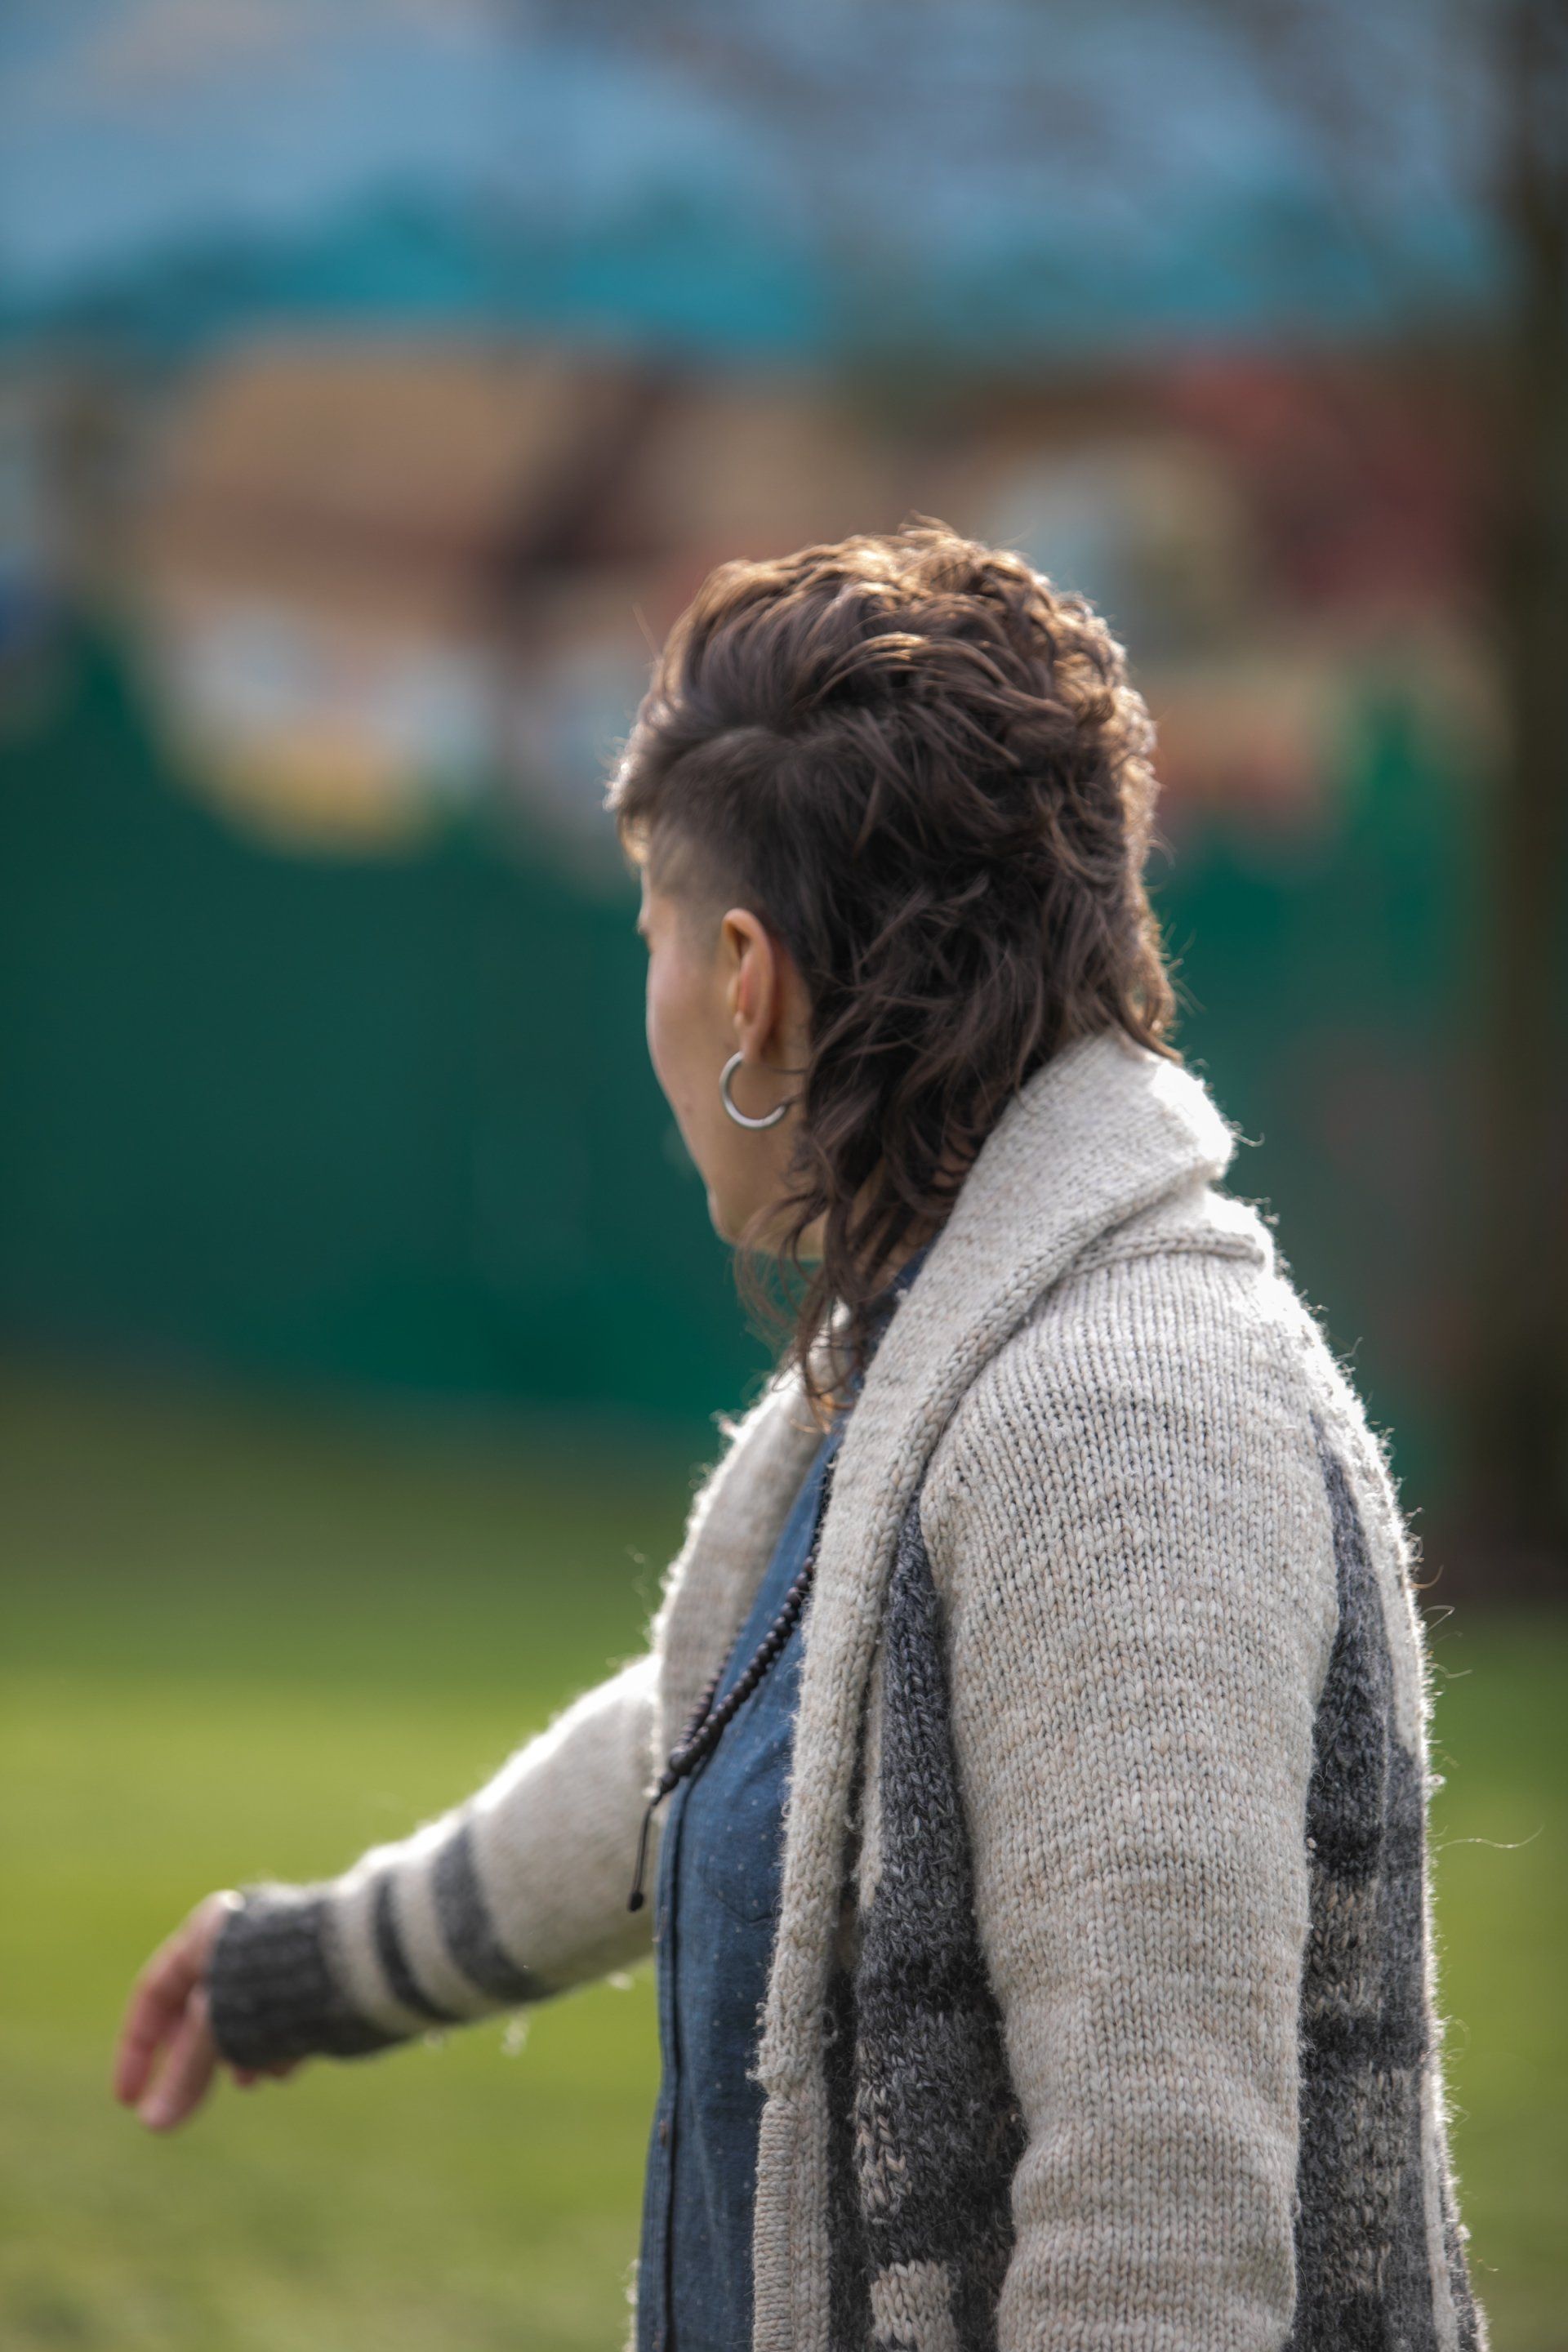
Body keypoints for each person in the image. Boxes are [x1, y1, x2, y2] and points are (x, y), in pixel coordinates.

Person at [114, 519, 1486, 2352]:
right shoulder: (955, 1345)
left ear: (748, 976)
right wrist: (316, 1963)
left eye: (652, 936)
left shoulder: (1122, 1432)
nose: (656, 999)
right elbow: (715, 1743)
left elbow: (1159, 2239)